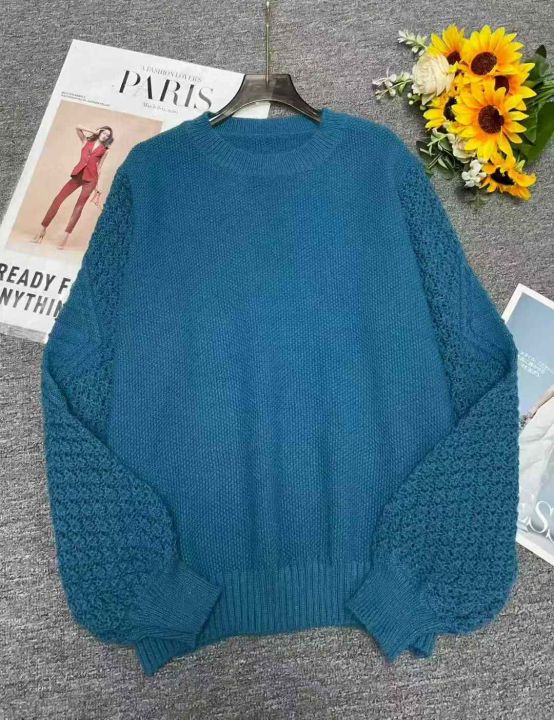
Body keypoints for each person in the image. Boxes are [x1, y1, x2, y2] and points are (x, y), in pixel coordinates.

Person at [32, 124, 114, 249]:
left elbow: (99, 168)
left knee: (78, 208)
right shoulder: (86, 141)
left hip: (91, 180)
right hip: (77, 176)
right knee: (58, 200)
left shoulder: (105, 150)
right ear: (100, 132)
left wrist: (97, 186)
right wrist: (94, 131)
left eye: (107, 136)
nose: (104, 136)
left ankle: (65, 238)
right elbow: (77, 127)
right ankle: (42, 229)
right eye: (103, 133)